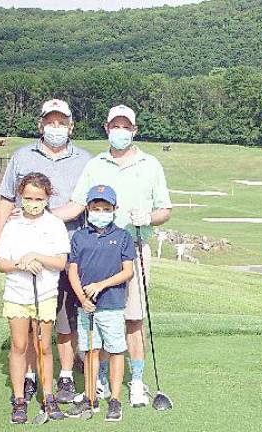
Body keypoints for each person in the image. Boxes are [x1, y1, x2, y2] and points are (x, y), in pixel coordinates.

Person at [52, 104, 172, 406]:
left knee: (132, 319)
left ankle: (136, 381)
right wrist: (40, 216)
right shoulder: (96, 165)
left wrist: (149, 216)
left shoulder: (151, 164)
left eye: (125, 126)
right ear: (106, 129)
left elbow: (165, 211)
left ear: (134, 130)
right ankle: (102, 380)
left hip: (133, 250)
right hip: (94, 251)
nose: (120, 131)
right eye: (114, 126)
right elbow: (77, 205)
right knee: (100, 318)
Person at [0, 99, 91, 403]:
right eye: (50, 121)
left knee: (63, 317)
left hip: (65, 250)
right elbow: (7, 200)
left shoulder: (85, 159)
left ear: (71, 126)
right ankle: (31, 376)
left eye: (62, 122)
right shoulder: (22, 156)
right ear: (40, 124)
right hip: (23, 254)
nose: (56, 127)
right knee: (33, 321)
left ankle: (63, 376)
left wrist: (45, 216)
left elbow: (82, 204)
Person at [0, 172, 69, 423]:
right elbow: (2, 263)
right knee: (19, 346)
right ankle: (18, 400)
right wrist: (21, 263)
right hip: (17, 293)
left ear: (47, 198)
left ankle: (48, 396)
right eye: (28, 197)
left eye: (38, 198)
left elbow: (60, 262)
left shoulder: (54, 224)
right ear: (20, 197)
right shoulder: (13, 225)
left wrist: (36, 256)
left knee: (44, 347)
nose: (33, 202)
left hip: (45, 293)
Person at [66, 185, 135, 422]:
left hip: (112, 305)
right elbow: (72, 271)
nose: (101, 212)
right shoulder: (79, 236)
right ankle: (89, 396)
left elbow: (128, 272)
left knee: (115, 350)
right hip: (86, 307)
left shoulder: (123, 236)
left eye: (106, 208)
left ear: (114, 209)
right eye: (96, 208)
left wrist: (100, 285)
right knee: (90, 351)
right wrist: (82, 298)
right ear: (88, 209)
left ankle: (115, 400)